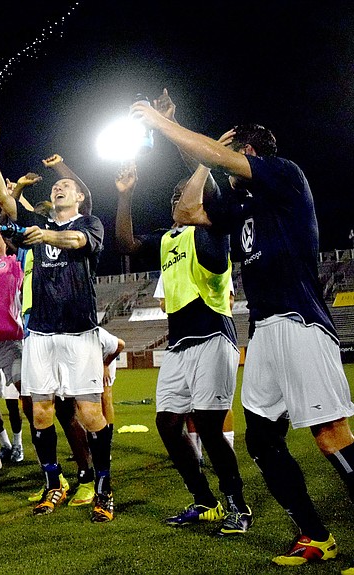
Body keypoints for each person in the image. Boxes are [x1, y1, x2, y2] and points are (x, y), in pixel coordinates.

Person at [133, 94, 354, 565]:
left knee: (330, 436)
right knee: (260, 439)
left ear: (250, 155)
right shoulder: (239, 205)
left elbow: (218, 159)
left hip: (300, 321)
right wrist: (185, 145)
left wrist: (164, 125)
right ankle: (316, 535)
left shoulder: (285, 176)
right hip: (264, 332)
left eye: (235, 156)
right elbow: (188, 212)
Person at [0, 119, 112, 520]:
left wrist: (43, 236)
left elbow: (77, 243)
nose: (58, 188)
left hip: (79, 332)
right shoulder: (41, 222)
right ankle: (54, 484)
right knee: (40, 412)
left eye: (66, 187)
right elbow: (3, 196)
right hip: (40, 334)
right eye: (56, 187)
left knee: (89, 414)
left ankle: (103, 488)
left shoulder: (89, 223)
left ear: (80, 199)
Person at [116, 155, 252, 536]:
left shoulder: (213, 232)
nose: (178, 198)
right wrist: (125, 196)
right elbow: (125, 243)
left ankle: (237, 504)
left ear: (202, 200)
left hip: (212, 336)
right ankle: (204, 501)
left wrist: (203, 166)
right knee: (167, 423)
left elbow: (201, 209)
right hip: (179, 345)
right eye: (174, 194)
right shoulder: (167, 238)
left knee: (209, 427)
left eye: (186, 193)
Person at [0, 223, 25, 464]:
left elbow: (18, 242)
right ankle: (4, 446)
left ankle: (19, 445)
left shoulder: (12, 263)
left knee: (16, 402)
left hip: (11, 341)